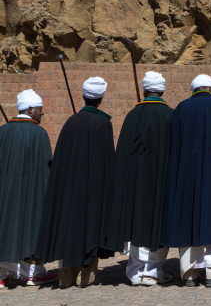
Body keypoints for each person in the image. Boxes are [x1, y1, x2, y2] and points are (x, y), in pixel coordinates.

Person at [35, 77, 115, 288]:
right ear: (101, 98)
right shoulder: (103, 124)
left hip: (70, 187)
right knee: (90, 226)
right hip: (92, 186)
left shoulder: (71, 122)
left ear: (84, 96)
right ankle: (86, 276)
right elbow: (107, 161)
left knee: (70, 226)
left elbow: (60, 158)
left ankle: (66, 276)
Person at [161, 75, 211, 288]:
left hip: (188, 174)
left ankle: (190, 273)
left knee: (189, 218)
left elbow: (175, 146)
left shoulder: (183, 108)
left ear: (193, 89)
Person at [107, 71, 174, 287]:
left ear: (145, 90)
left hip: (136, 182)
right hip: (162, 179)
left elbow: (124, 152)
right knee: (158, 222)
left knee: (137, 222)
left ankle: (136, 271)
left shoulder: (132, 115)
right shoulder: (170, 115)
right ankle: (154, 271)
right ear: (162, 90)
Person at [0, 90, 58, 289]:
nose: (42, 114)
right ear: (30, 109)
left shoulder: (3, 131)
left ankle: (2, 272)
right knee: (30, 225)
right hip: (31, 193)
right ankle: (33, 272)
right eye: (40, 110)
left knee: (5, 223)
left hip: (6, 193)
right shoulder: (38, 133)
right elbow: (44, 169)